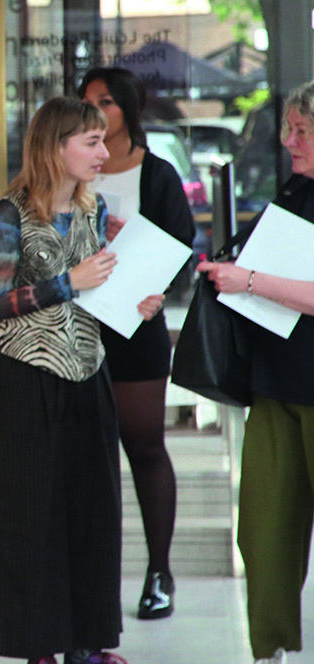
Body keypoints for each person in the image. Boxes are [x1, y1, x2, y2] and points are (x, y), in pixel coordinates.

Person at [0, 96, 164, 664]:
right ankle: (40, 647)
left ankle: (88, 645)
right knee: (30, 515)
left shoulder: (93, 206)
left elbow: (99, 287)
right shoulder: (7, 214)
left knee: (92, 511)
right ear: (54, 147)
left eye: (101, 141)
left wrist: (136, 300)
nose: (103, 152)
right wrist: (70, 281)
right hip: (25, 379)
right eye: (91, 142)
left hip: (89, 370)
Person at [197, 81, 314, 664]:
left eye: (302, 131)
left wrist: (247, 281)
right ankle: (270, 649)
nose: (290, 142)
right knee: (264, 531)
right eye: (288, 130)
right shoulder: (294, 190)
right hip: (276, 382)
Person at [80, 67, 195, 620]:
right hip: (78, 328)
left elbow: (181, 249)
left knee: (145, 447)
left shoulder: (159, 174)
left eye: (106, 101)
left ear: (128, 108)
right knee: (89, 460)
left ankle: (159, 572)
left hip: (139, 328)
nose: (97, 111)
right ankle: (95, 580)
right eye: (87, 102)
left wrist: (152, 279)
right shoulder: (72, 169)